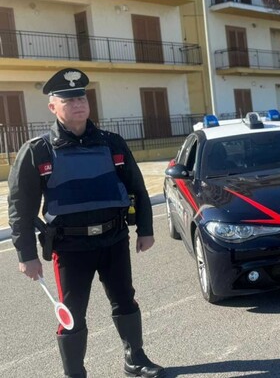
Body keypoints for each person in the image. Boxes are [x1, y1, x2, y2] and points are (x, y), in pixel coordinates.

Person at [8, 68, 164, 378]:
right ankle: (75, 373)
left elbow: (137, 188)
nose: (78, 104)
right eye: (68, 100)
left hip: (114, 238)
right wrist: (25, 254)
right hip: (70, 247)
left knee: (125, 300)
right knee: (72, 313)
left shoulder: (113, 143)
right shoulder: (37, 151)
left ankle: (135, 359)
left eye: (81, 97)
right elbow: (20, 208)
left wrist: (145, 229)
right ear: (53, 107)